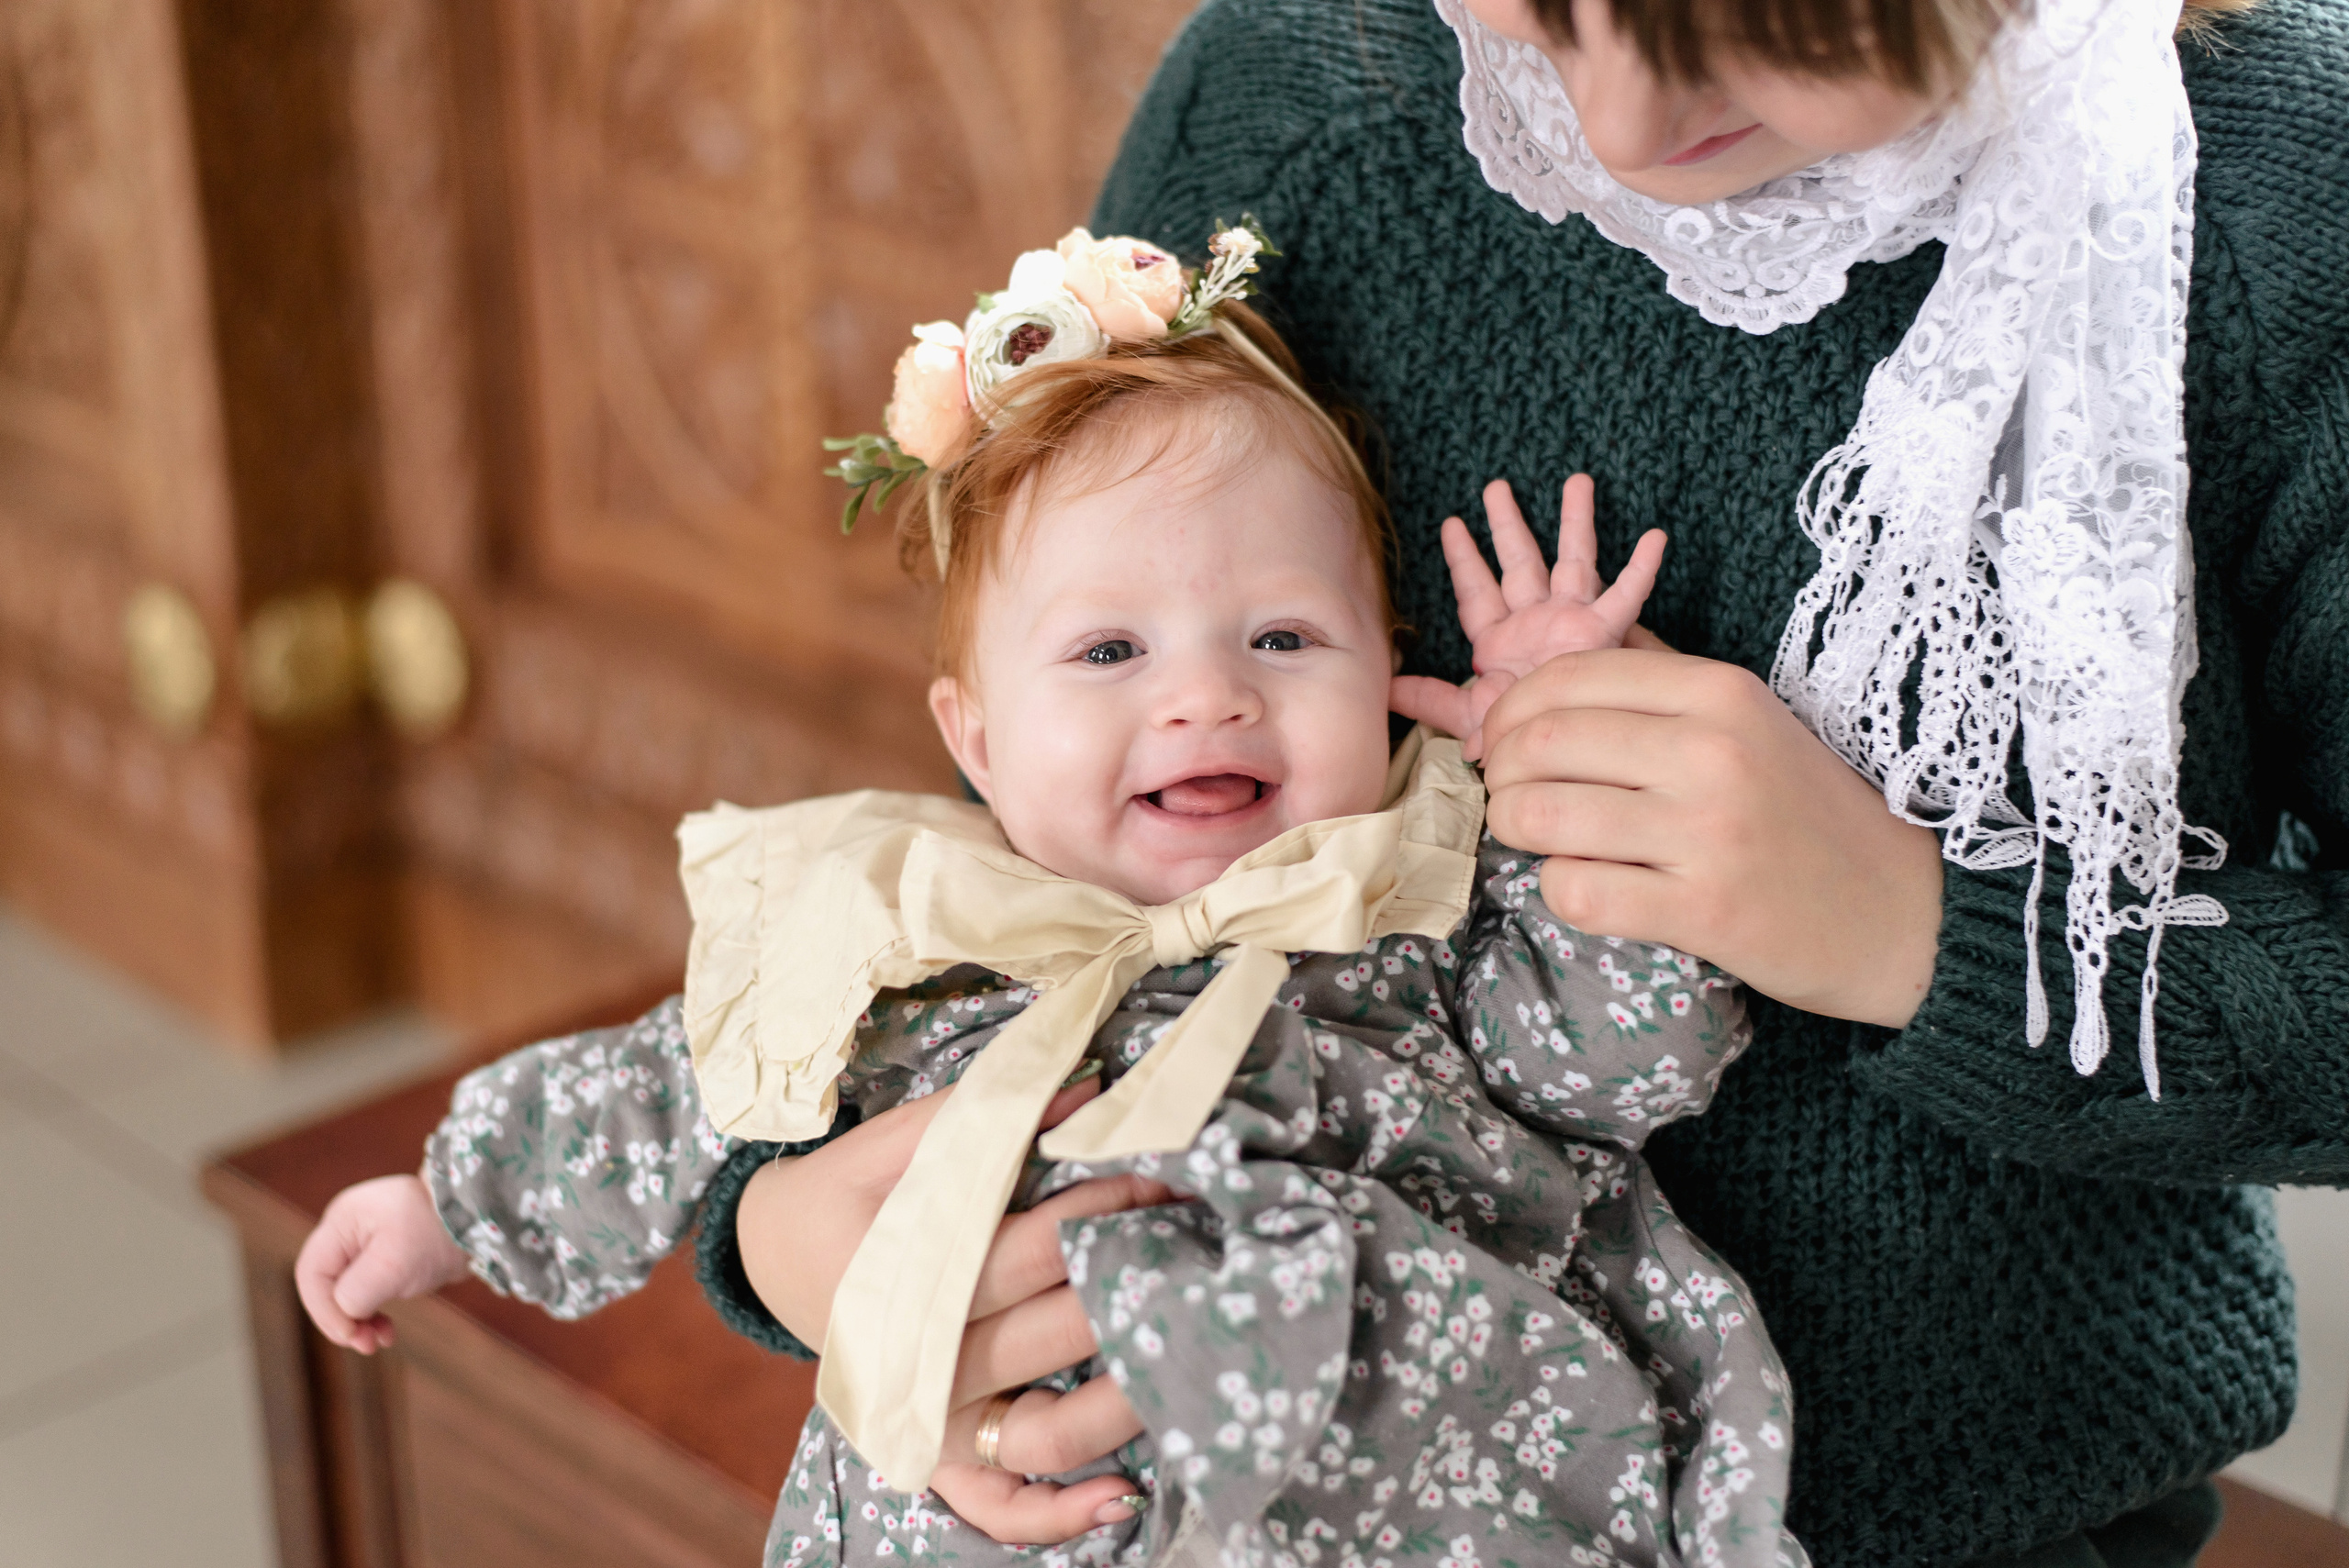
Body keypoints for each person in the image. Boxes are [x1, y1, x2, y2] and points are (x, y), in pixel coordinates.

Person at [696, 0, 2349, 1564]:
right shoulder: (1300, 93)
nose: (1623, 118)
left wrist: (1921, 933)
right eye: (1541, 9)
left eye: (1761, 17)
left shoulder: (2285, 196)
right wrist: (796, 1227)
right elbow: (1056, 735)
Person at [295, 228, 1806, 1568]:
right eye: (1108, 655)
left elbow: (1623, 1062)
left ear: (1390, 665)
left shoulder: (1421, 893)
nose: (1207, 696)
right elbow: (668, 1085)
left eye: (1283, 638)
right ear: (975, 739)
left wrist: (1560, 780)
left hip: (1420, 1486)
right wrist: (450, 1201)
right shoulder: (915, 925)